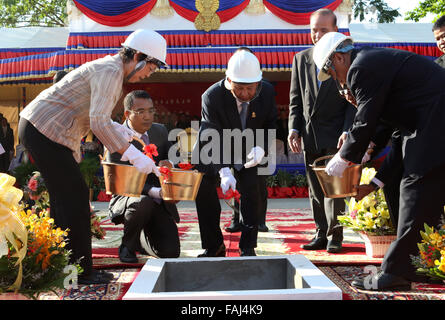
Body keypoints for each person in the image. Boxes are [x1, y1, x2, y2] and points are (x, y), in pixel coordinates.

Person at [18, 29, 167, 284]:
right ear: (139, 56)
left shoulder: (111, 69)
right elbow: (98, 123)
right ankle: (79, 271)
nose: (147, 75)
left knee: (66, 197)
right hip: (43, 129)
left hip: (43, 130)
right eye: (150, 68)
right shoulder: (111, 71)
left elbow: (98, 116)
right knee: (74, 196)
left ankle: (60, 265)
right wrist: (132, 154)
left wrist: (123, 132)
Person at [313, 31, 445, 291]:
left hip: (436, 122)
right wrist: (373, 176)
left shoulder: (360, 67)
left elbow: (365, 119)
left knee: (414, 190)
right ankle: (419, 264)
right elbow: (395, 137)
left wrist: (344, 157)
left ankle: (395, 272)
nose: (338, 81)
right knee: (409, 191)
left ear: (338, 58)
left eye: (333, 74)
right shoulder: (377, 68)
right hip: (429, 125)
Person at [194, 49, 277, 257]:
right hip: (213, 147)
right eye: (239, 88)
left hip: (249, 148)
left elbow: (270, 123)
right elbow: (210, 135)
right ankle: (214, 246)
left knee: (251, 192)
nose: (245, 94)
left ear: (259, 81)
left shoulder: (266, 91)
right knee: (204, 191)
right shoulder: (211, 96)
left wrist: (261, 147)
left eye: (250, 88)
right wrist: (223, 170)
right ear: (229, 80)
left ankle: (248, 247)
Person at [287, 8, 356, 254]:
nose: (317, 35)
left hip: (337, 133)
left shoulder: (347, 57)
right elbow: (296, 98)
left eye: (323, 30)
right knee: (314, 187)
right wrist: (293, 128)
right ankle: (320, 231)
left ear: (335, 30)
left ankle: (335, 235)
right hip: (309, 133)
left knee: (334, 188)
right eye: (313, 30)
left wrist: (348, 130)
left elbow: (353, 100)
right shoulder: (300, 58)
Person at [108, 90, 180, 262]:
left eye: (151, 111)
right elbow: (122, 181)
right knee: (143, 202)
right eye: (141, 112)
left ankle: (141, 240)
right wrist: (155, 192)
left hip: (158, 202)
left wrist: (170, 165)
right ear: (127, 114)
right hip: (129, 196)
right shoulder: (115, 136)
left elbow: (172, 158)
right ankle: (127, 246)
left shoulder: (160, 131)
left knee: (170, 253)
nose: (148, 116)